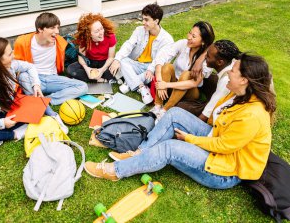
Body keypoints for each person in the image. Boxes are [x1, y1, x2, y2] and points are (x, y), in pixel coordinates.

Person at [84, 53, 276, 191]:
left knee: (170, 147)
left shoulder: (252, 115)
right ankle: (139, 153)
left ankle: (115, 171)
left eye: (233, 71)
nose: (228, 73)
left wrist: (190, 139)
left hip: (224, 171)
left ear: (244, 80)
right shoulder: (238, 95)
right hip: (216, 141)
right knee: (175, 113)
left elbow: (223, 146)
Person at [14, 12, 88, 106]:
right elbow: (16, 67)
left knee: (83, 86)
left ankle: (46, 101)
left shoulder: (60, 41)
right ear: (40, 29)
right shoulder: (23, 42)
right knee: (22, 76)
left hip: (52, 79)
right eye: (52, 28)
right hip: (32, 79)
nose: (57, 31)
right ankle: (34, 100)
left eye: (57, 27)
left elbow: (75, 56)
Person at [109, 3, 174, 104]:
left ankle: (129, 81)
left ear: (156, 21)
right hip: (137, 65)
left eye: (146, 20)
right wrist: (117, 60)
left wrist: (151, 69)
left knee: (153, 72)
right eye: (143, 19)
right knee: (122, 60)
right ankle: (141, 87)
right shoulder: (139, 30)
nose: (143, 22)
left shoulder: (167, 40)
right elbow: (129, 44)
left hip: (151, 69)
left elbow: (159, 61)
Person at [150, 21, 215, 120]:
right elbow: (162, 57)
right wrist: (159, 81)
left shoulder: (207, 59)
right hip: (174, 83)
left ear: (203, 41)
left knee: (186, 74)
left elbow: (194, 83)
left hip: (190, 92)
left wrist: (166, 85)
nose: (189, 37)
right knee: (167, 66)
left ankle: (165, 110)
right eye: (190, 33)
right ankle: (157, 106)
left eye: (193, 36)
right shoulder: (183, 44)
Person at [177, 40, 241, 122]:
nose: (205, 57)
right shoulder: (232, 61)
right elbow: (211, 45)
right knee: (210, 78)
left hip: (220, 114)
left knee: (181, 106)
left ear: (219, 62)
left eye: (208, 56)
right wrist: (199, 60)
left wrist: (193, 126)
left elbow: (207, 113)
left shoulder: (226, 82)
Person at [67, 13, 117, 82]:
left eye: (101, 28)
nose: (101, 33)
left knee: (115, 69)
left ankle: (93, 77)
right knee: (71, 69)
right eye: (97, 31)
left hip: (105, 63)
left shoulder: (110, 36)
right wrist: (87, 69)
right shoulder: (84, 38)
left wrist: (101, 70)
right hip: (90, 62)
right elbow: (81, 56)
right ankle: (100, 80)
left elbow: (111, 57)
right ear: (89, 34)